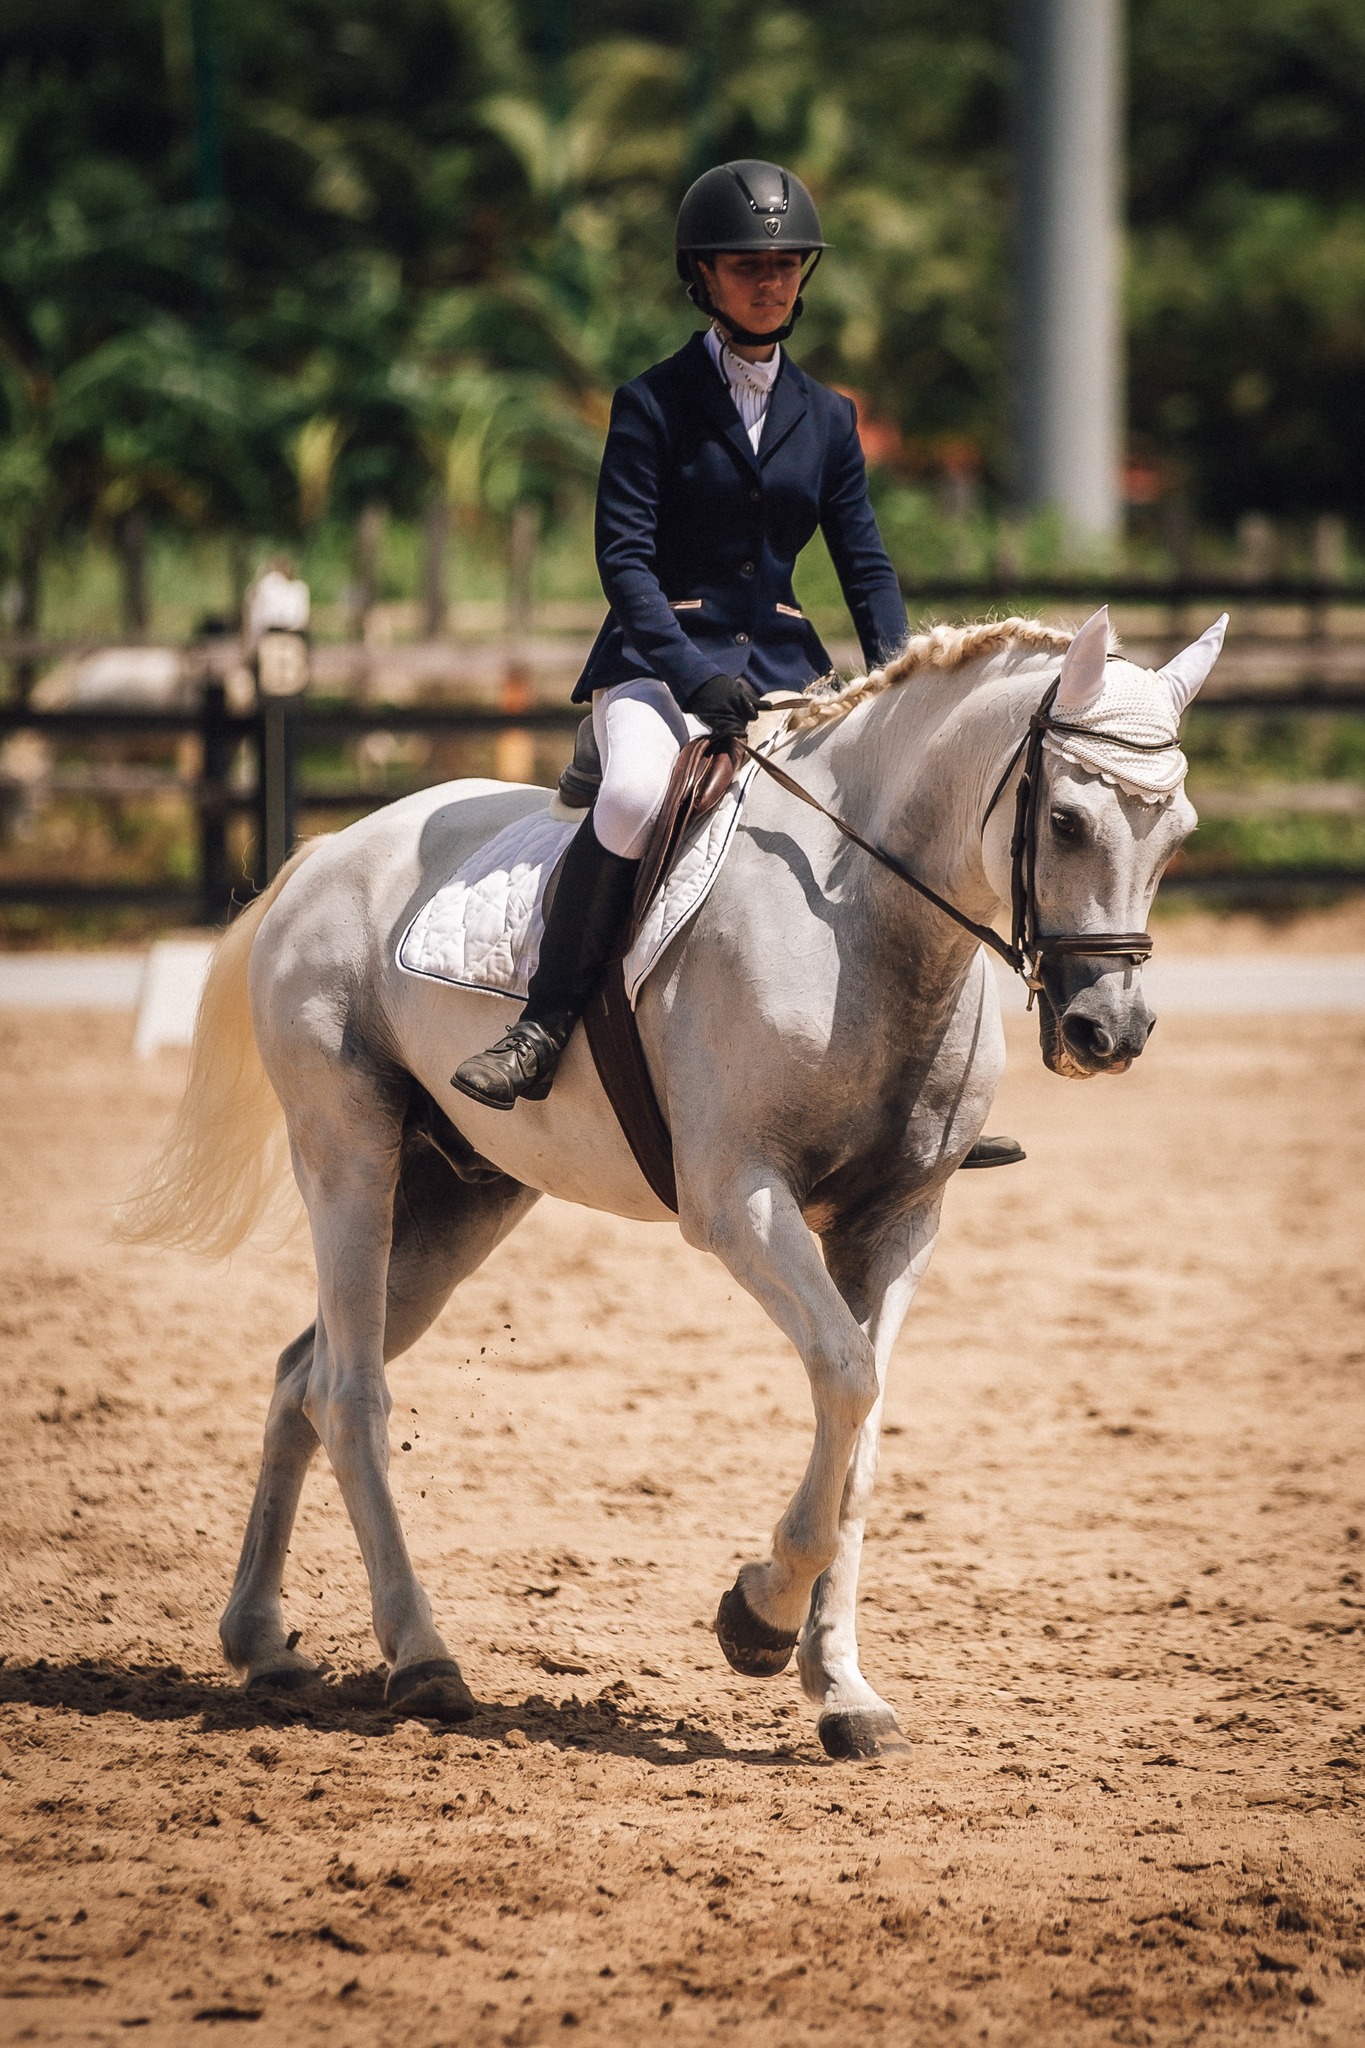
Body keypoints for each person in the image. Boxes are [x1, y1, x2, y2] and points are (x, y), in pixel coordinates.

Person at [452, 160, 1025, 1169]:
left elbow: (865, 561)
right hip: (655, 660)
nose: (771, 281)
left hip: (783, 670)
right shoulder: (653, 403)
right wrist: (679, 670)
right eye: (748, 263)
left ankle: (914, 1090)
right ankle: (542, 1023)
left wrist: (905, 691)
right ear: (703, 276)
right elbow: (622, 558)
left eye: (787, 264)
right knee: (632, 793)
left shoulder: (830, 416)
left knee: (879, 817)